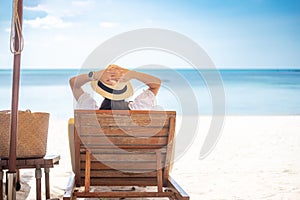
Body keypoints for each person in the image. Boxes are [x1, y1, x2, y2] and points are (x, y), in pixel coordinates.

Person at [69, 64, 161, 110]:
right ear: (123, 90)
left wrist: (94, 75)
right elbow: (156, 84)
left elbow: (73, 83)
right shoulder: (138, 108)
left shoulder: (90, 110)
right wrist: (133, 74)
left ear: (102, 91)